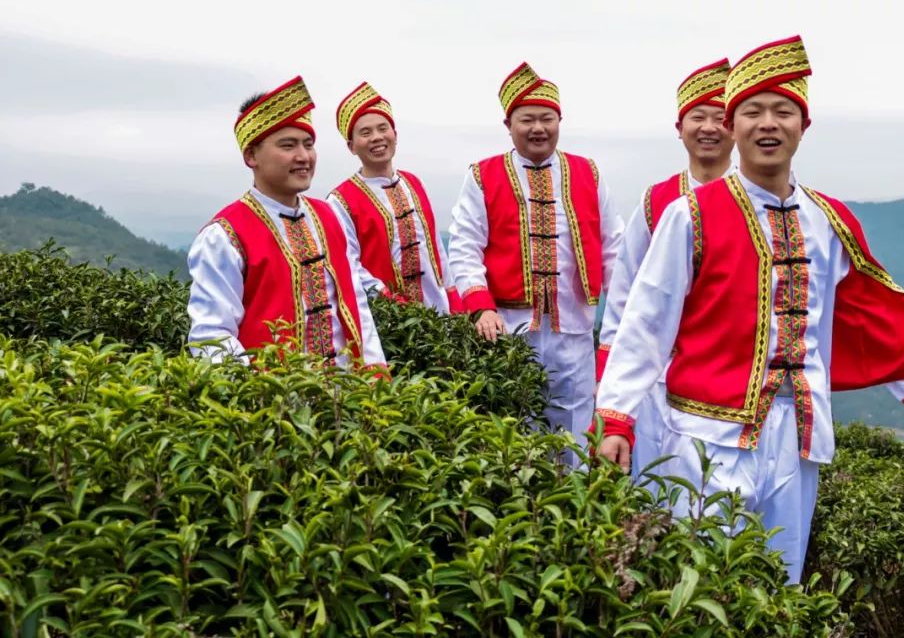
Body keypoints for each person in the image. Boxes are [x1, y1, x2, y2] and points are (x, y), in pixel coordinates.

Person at [593, 36, 904, 582]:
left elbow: (860, 315)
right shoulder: (689, 215)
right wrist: (617, 417)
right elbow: (647, 322)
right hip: (706, 435)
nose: (768, 123)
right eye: (753, 111)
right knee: (700, 582)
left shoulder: (829, 219)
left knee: (779, 579)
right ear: (733, 124)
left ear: (803, 125)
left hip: (799, 433)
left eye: (783, 111)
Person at [448, 61, 624, 463]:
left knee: (575, 426)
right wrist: (480, 305)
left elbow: (614, 244)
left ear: (559, 121)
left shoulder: (588, 172)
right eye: (527, 119)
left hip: (574, 327)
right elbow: (464, 245)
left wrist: (624, 313)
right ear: (508, 124)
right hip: (508, 329)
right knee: (511, 424)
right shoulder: (483, 174)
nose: (538, 128)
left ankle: (573, 511)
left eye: (547, 118)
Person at [595, 58, 734, 482]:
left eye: (720, 117)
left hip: (728, 381)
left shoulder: (754, 201)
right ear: (680, 127)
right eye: (698, 116)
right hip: (656, 382)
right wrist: (612, 396)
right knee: (652, 491)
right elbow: (624, 295)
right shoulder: (657, 201)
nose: (708, 127)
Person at [186, 76, 385, 369]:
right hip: (273, 403)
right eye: (288, 145)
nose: (303, 157)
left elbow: (357, 307)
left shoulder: (328, 217)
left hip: (349, 400)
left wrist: (376, 375)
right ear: (251, 155)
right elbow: (211, 336)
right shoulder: (225, 236)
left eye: (308, 144)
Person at [327, 82, 461, 314]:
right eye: (365, 133)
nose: (377, 137)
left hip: (441, 318)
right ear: (351, 146)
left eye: (383, 128)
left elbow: (436, 249)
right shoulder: (340, 201)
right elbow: (349, 266)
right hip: (387, 322)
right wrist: (392, 304)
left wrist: (453, 296)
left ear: (395, 135)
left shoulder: (414, 183)